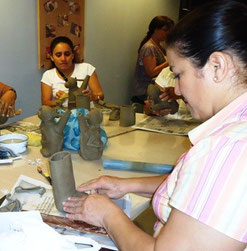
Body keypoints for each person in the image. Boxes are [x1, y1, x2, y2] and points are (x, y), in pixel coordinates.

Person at [64, 1, 247, 250]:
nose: (179, 90)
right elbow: (195, 186)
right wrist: (126, 185)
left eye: (179, 74)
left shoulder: (227, 149)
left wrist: (108, 214)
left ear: (217, 66)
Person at [41, 36, 104, 107]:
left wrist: (93, 97)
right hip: (63, 114)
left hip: (88, 113)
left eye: (67, 54)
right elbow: (45, 103)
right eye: (58, 55)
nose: (63, 58)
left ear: (73, 55)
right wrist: (58, 101)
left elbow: (101, 96)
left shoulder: (87, 68)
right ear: (52, 57)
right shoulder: (48, 75)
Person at [132, 16, 174, 105]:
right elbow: (151, 72)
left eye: (168, 30)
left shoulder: (159, 46)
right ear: (155, 29)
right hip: (145, 92)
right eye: (165, 30)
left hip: (154, 91)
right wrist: (170, 61)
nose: (167, 33)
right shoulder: (149, 47)